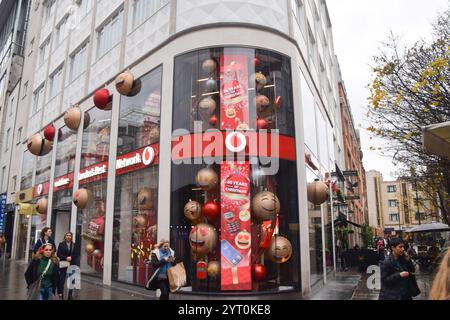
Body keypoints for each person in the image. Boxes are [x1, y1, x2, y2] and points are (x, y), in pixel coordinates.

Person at [56, 232, 79, 300]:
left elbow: (76, 254)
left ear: (71, 237)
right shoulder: (61, 244)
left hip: (72, 263)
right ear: (65, 237)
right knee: (61, 280)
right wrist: (66, 258)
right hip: (64, 264)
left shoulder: (74, 245)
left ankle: (70, 294)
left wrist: (71, 257)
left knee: (72, 280)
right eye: (67, 235)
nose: (68, 237)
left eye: (70, 236)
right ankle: (61, 294)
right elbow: (58, 254)